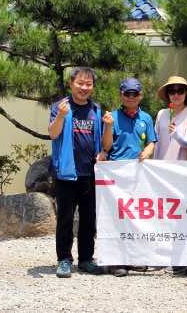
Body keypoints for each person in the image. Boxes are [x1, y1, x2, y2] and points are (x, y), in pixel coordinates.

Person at [48, 67, 106, 278]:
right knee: (65, 218)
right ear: (71, 84)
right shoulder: (60, 106)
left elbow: (100, 139)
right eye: (80, 83)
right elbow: (53, 134)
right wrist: (61, 116)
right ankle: (64, 259)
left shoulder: (96, 109)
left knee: (88, 219)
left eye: (88, 84)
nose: (84, 87)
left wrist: (102, 153)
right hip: (66, 173)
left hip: (90, 173)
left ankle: (86, 259)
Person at [100, 78, 157, 277]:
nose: (131, 97)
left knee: (135, 217)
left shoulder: (146, 118)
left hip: (139, 175)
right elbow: (106, 146)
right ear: (121, 95)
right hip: (116, 175)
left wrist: (148, 151)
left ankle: (133, 258)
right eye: (127, 94)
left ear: (140, 95)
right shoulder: (112, 117)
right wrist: (108, 126)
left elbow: (152, 142)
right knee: (116, 217)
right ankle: (115, 260)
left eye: (135, 94)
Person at [154, 76, 187, 161]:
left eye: (180, 91)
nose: (176, 95)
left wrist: (176, 134)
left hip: (181, 165)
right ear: (168, 94)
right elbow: (155, 141)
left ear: (186, 93)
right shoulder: (161, 113)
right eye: (172, 91)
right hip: (160, 164)